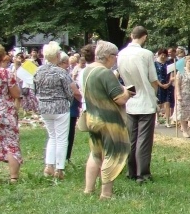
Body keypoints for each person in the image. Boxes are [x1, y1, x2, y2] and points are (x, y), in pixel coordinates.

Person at [82, 40, 132, 199]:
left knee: (95, 154)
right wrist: (127, 91)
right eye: (115, 56)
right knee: (112, 154)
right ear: (109, 56)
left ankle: (88, 189)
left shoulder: (87, 70)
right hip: (108, 121)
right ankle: (106, 193)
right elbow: (120, 99)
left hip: (92, 118)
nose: (116, 59)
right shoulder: (105, 73)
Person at [116, 26, 159, 184]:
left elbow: (117, 76)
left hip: (130, 98)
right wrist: (155, 95)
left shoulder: (121, 54)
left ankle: (131, 170)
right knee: (144, 139)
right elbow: (153, 79)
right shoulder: (146, 54)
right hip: (145, 99)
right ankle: (143, 174)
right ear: (144, 37)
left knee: (132, 138)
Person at [34, 41, 79, 180]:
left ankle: (49, 165)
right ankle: (59, 168)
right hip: (60, 107)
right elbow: (69, 92)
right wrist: (69, 101)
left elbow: (35, 90)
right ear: (57, 55)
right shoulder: (61, 72)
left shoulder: (38, 71)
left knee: (52, 136)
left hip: (44, 107)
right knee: (61, 138)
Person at [0, 43, 22, 184]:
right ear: (2, 57)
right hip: (5, 112)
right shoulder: (7, 73)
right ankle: (13, 177)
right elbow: (16, 93)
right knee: (11, 143)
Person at [154, 49, 174, 127]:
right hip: (158, 84)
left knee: (167, 102)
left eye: (165, 55)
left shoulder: (169, 63)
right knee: (158, 103)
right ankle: (157, 119)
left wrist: (169, 83)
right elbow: (154, 76)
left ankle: (167, 121)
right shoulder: (154, 64)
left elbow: (171, 74)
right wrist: (160, 84)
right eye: (161, 55)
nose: (163, 56)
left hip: (167, 83)